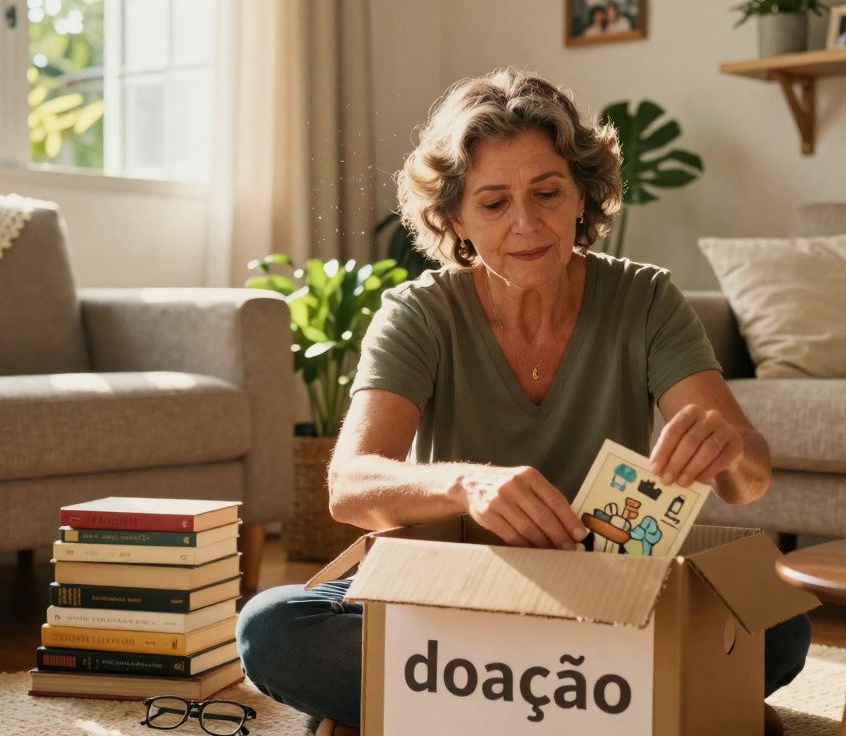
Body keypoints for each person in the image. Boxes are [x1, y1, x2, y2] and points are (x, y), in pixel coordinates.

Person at [235, 69, 811, 736]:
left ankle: (469, 702)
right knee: (274, 631)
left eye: (546, 192)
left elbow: (748, 482)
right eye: (493, 203)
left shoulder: (646, 302)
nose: (526, 224)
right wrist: (467, 482)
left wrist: (729, 447)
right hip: (448, 594)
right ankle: (595, 701)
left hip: (608, 598)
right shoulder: (418, 314)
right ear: (456, 218)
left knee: (781, 625)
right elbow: (350, 485)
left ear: (581, 197)